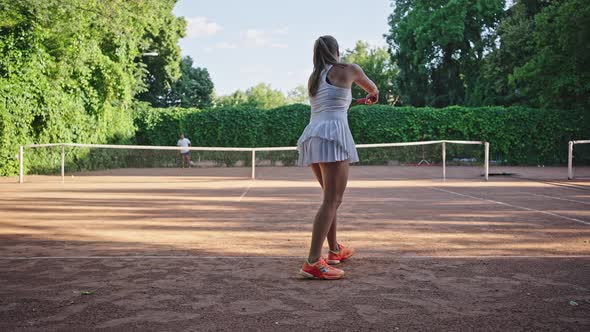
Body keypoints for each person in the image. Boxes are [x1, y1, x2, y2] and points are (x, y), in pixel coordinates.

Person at [297, 35, 379, 280]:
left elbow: (332, 105)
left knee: (329, 198)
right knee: (333, 199)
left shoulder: (314, 78)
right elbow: (373, 89)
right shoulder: (350, 69)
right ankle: (313, 262)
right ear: (337, 51)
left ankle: (334, 250)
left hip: (313, 135)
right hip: (333, 136)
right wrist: (372, 96)